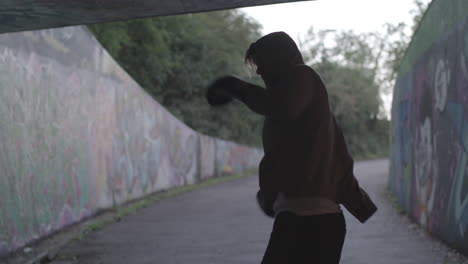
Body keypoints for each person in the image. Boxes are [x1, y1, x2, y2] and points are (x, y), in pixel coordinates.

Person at [206, 32, 377, 264]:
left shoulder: (303, 76)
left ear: (278, 58)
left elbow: (280, 106)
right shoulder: (304, 106)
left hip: (311, 220)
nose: (258, 71)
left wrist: (235, 87)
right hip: (304, 218)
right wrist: (270, 195)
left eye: (261, 62)